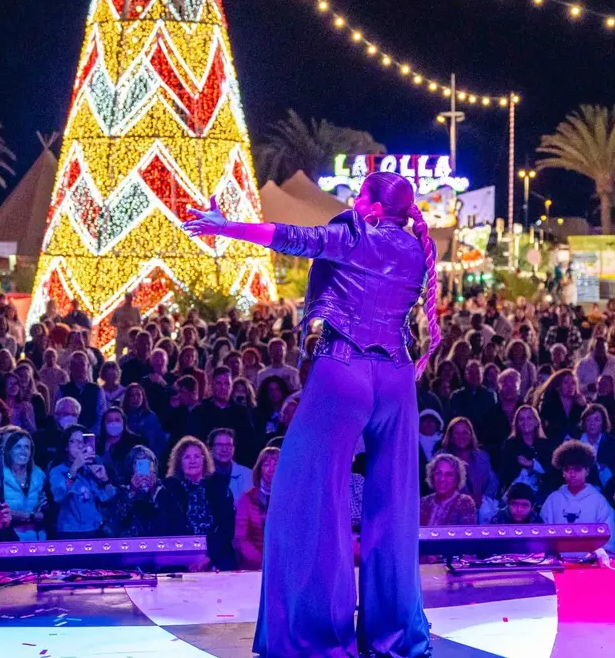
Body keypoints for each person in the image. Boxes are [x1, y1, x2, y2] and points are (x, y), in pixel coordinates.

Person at [185, 170, 441, 657]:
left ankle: (318, 637)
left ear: (372, 206)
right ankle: (397, 638)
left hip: (343, 370)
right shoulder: (416, 248)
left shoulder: (354, 235)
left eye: (360, 194)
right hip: (398, 379)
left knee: (309, 500)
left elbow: (289, 238)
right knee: (395, 508)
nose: (353, 200)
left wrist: (224, 226)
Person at [156, 436, 237, 571]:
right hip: (180, 557)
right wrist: (188, 557)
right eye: (187, 457)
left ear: (204, 459)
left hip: (215, 555)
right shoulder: (168, 490)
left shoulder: (219, 486)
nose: (192, 461)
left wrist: (208, 557)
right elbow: (166, 528)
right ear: (179, 462)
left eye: (197, 456)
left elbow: (226, 527)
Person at [539, 440, 615, 552]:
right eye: (567, 470)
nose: (572, 474)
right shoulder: (553, 500)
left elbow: (608, 540)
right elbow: (543, 536)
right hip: (558, 563)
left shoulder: (599, 501)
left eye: (577, 469)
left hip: (590, 565)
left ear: (587, 471)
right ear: (562, 473)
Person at [48, 424, 116, 537]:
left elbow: (106, 497)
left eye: (82, 441)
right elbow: (58, 494)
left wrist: (104, 479)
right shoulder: (57, 471)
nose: (80, 445)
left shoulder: (90, 468)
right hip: (70, 531)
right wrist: (74, 468)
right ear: (66, 446)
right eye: (74, 441)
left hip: (94, 528)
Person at [0, 428, 47, 541]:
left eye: (26, 447)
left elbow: (45, 512)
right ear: (9, 450)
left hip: (37, 540)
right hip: (8, 539)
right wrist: (30, 516)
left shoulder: (39, 475)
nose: (23, 451)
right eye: (18, 447)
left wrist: (36, 514)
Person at [436, 416, 498, 520]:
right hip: (451, 509)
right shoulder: (441, 457)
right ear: (450, 436)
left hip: (481, 508)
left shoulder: (481, 456)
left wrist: (483, 499)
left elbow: (492, 481)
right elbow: (438, 486)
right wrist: (467, 500)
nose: (462, 436)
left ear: (471, 435)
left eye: (465, 432)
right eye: (457, 433)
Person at [234, 446, 281, 570]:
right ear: (259, 469)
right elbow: (241, 539)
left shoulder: (291, 499)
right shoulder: (247, 498)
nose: (272, 469)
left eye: (276, 464)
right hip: (255, 567)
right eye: (266, 464)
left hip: (284, 566)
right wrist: (261, 563)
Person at [498, 405, 555, 499]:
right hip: (515, 492)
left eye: (529, 418)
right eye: (521, 419)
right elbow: (505, 474)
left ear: (536, 421)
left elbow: (551, 471)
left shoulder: (547, 444)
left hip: (543, 492)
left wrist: (532, 464)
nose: (525, 422)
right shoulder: (509, 445)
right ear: (516, 423)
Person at [419, 453, 477, 526]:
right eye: (438, 473)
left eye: (448, 475)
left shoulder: (464, 502)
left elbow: (465, 534)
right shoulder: (424, 502)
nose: (442, 479)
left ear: (457, 479)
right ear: (432, 476)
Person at [208, 427, 253, 502]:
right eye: (219, 445)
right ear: (210, 449)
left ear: (234, 448)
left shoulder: (247, 475)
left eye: (228, 445)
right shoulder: (202, 475)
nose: (224, 449)